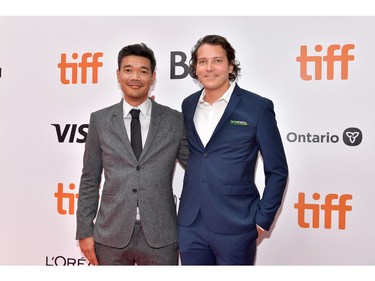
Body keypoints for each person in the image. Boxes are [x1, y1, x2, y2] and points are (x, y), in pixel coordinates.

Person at [177, 35, 289, 265]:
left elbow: (277, 170)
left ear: (230, 66)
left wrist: (262, 220)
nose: (209, 68)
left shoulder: (257, 107)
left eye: (217, 61)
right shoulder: (188, 105)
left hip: (237, 224)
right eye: (202, 62)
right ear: (195, 68)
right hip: (190, 224)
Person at [76, 43, 189, 265]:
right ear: (118, 75)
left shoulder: (174, 121)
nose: (135, 76)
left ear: (153, 77)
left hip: (161, 236)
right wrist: (84, 231)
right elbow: (90, 179)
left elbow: (199, 167)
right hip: (110, 235)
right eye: (128, 70)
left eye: (143, 71)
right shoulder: (100, 120)